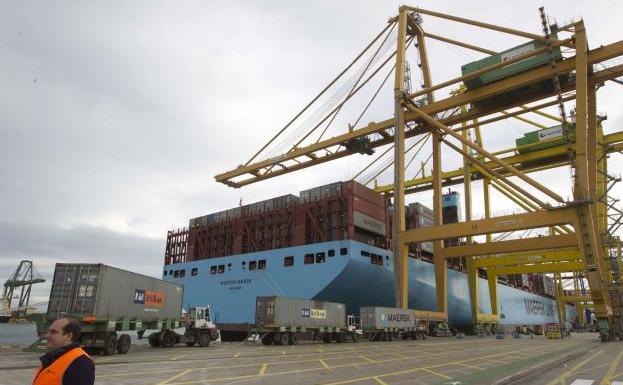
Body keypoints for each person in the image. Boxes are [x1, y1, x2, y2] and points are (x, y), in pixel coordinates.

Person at [32, 317, 95, 385]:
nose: (47, 335)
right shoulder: (53, 358)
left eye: (53, 332)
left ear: (68, 336)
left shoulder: (81, 363)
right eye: (48, 332)